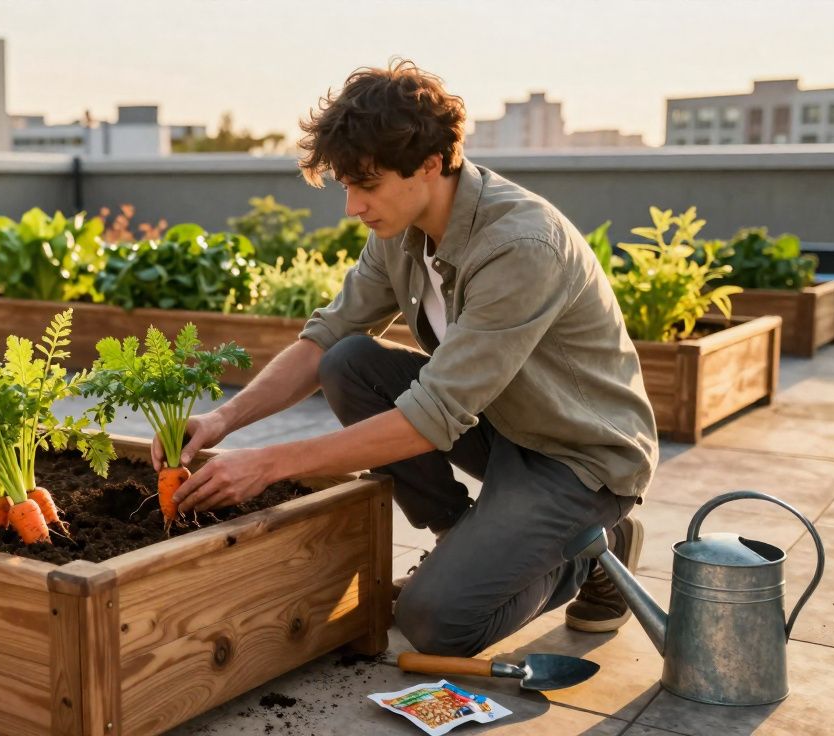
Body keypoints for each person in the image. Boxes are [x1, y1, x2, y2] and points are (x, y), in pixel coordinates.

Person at [157, 59, 657, 657]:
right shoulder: (400, 232)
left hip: (577, 457)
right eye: (347, 186)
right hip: (503, 424)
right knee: (348, 360)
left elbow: (432, 416)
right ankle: (461, 536)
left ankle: (595, 547)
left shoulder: (521, 245)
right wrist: (221, 421)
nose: (352, 207)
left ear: (428, 164)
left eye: (366, 185)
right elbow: (324, 339)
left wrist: (268, 463)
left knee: (435, 624)